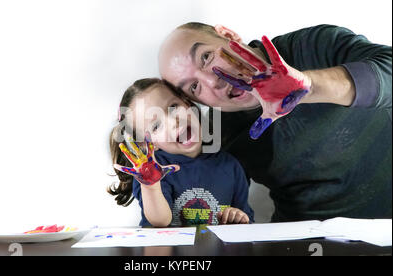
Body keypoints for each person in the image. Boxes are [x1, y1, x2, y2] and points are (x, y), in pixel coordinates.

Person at [158, 22, 392, 222]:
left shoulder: (312, 46)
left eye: (206, 57)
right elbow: (207, 204)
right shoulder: (221, 134)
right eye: (194, 87)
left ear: (229, 36)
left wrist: (308, 87)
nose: (213, 82)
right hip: (308, 241)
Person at [108, 78, 254, 227]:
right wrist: (151, 186)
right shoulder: (153, 172)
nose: (173, 122)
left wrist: (237, 218)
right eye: (156, 126)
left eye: (173, 107)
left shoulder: (230, 165)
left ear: (188, 103)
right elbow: (160, 221)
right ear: (148, 144)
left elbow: (245, 221)